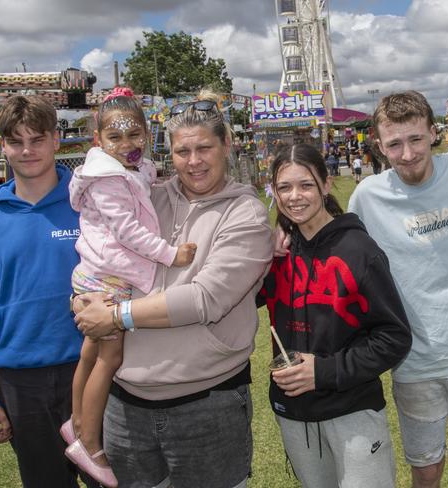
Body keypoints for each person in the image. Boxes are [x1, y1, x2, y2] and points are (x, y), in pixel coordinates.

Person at [72, 90, 273, 488]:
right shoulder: (147, 196)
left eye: (204, 148)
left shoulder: (245, 213)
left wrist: (114, 315)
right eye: (183, 151)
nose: (194, 162)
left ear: (227, 145)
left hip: (206, 405)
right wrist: (82, 297)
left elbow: (205, 299)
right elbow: (100, 251)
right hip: (125, 404)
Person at [348, 91, 448, 488]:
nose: (407, 154)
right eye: (394, 144)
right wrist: (284, 229)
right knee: (426, 470)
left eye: (416, 139)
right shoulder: (367, 197)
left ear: (433, 133)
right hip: (415, 361)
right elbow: (335, 244)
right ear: (379, 147)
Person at [0, 95, 98, 488]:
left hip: (92, 369)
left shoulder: (90, 208)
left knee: (113, 478)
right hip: (21, 383)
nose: (27, 150)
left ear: (56, 140)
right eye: (16, 141)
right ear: (1, 145)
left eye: (37, 139)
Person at [61, 88, 197, 487]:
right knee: (110, 358)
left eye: (134, 134)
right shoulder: (106, 179)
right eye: (115, 137)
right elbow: (128, 230)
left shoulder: (128, 171)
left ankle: (75, 423)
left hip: (99, 272)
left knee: (90, 352)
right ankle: (89, 443)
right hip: (108, 278)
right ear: (98, 140)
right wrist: (170, 255)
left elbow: (145, 188)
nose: (127, 144)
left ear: (146, 132)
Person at [259, 143, 411, 487]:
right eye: (284, 187)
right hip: (295, 414)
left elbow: (395, 337)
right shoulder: (278, 253)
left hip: (352, 408)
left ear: (326, 185)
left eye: (306, 185)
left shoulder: (358, 250)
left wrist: (324, 371)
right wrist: (261, 252)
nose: (295, 196)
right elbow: (236, 297)